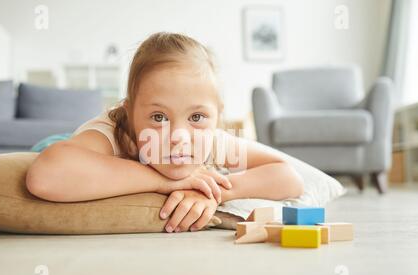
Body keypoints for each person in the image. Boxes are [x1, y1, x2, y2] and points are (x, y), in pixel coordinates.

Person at [26, 32, 304, 233]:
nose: (178, 136)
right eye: (159, 117)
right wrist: (166, 183)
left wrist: (212, 192)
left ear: (218, 117)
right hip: (62, 144)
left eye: (196, 116)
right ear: (130, 113)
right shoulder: (112, 133)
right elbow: (45, 176)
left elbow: (287, 176)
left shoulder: (209, 139)